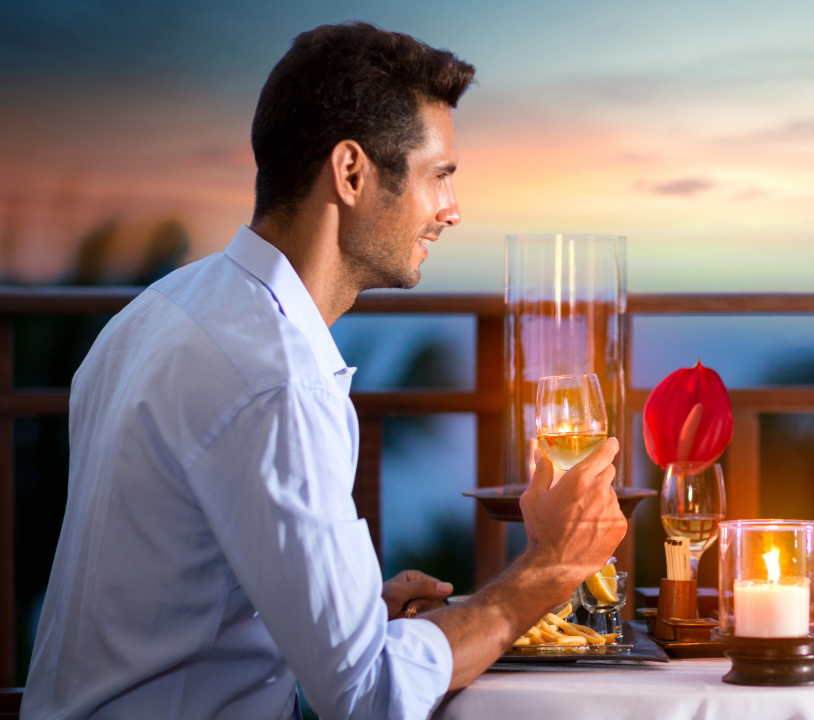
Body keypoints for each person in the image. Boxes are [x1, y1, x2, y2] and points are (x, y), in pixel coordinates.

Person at [23, 22, 627, 720]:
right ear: (351, 173)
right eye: (440, 177)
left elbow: (170, 595)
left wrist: (352, 614)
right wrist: (548, 569)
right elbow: (370, 697)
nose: (452, 211)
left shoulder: (155, 315)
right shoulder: (278, 381)